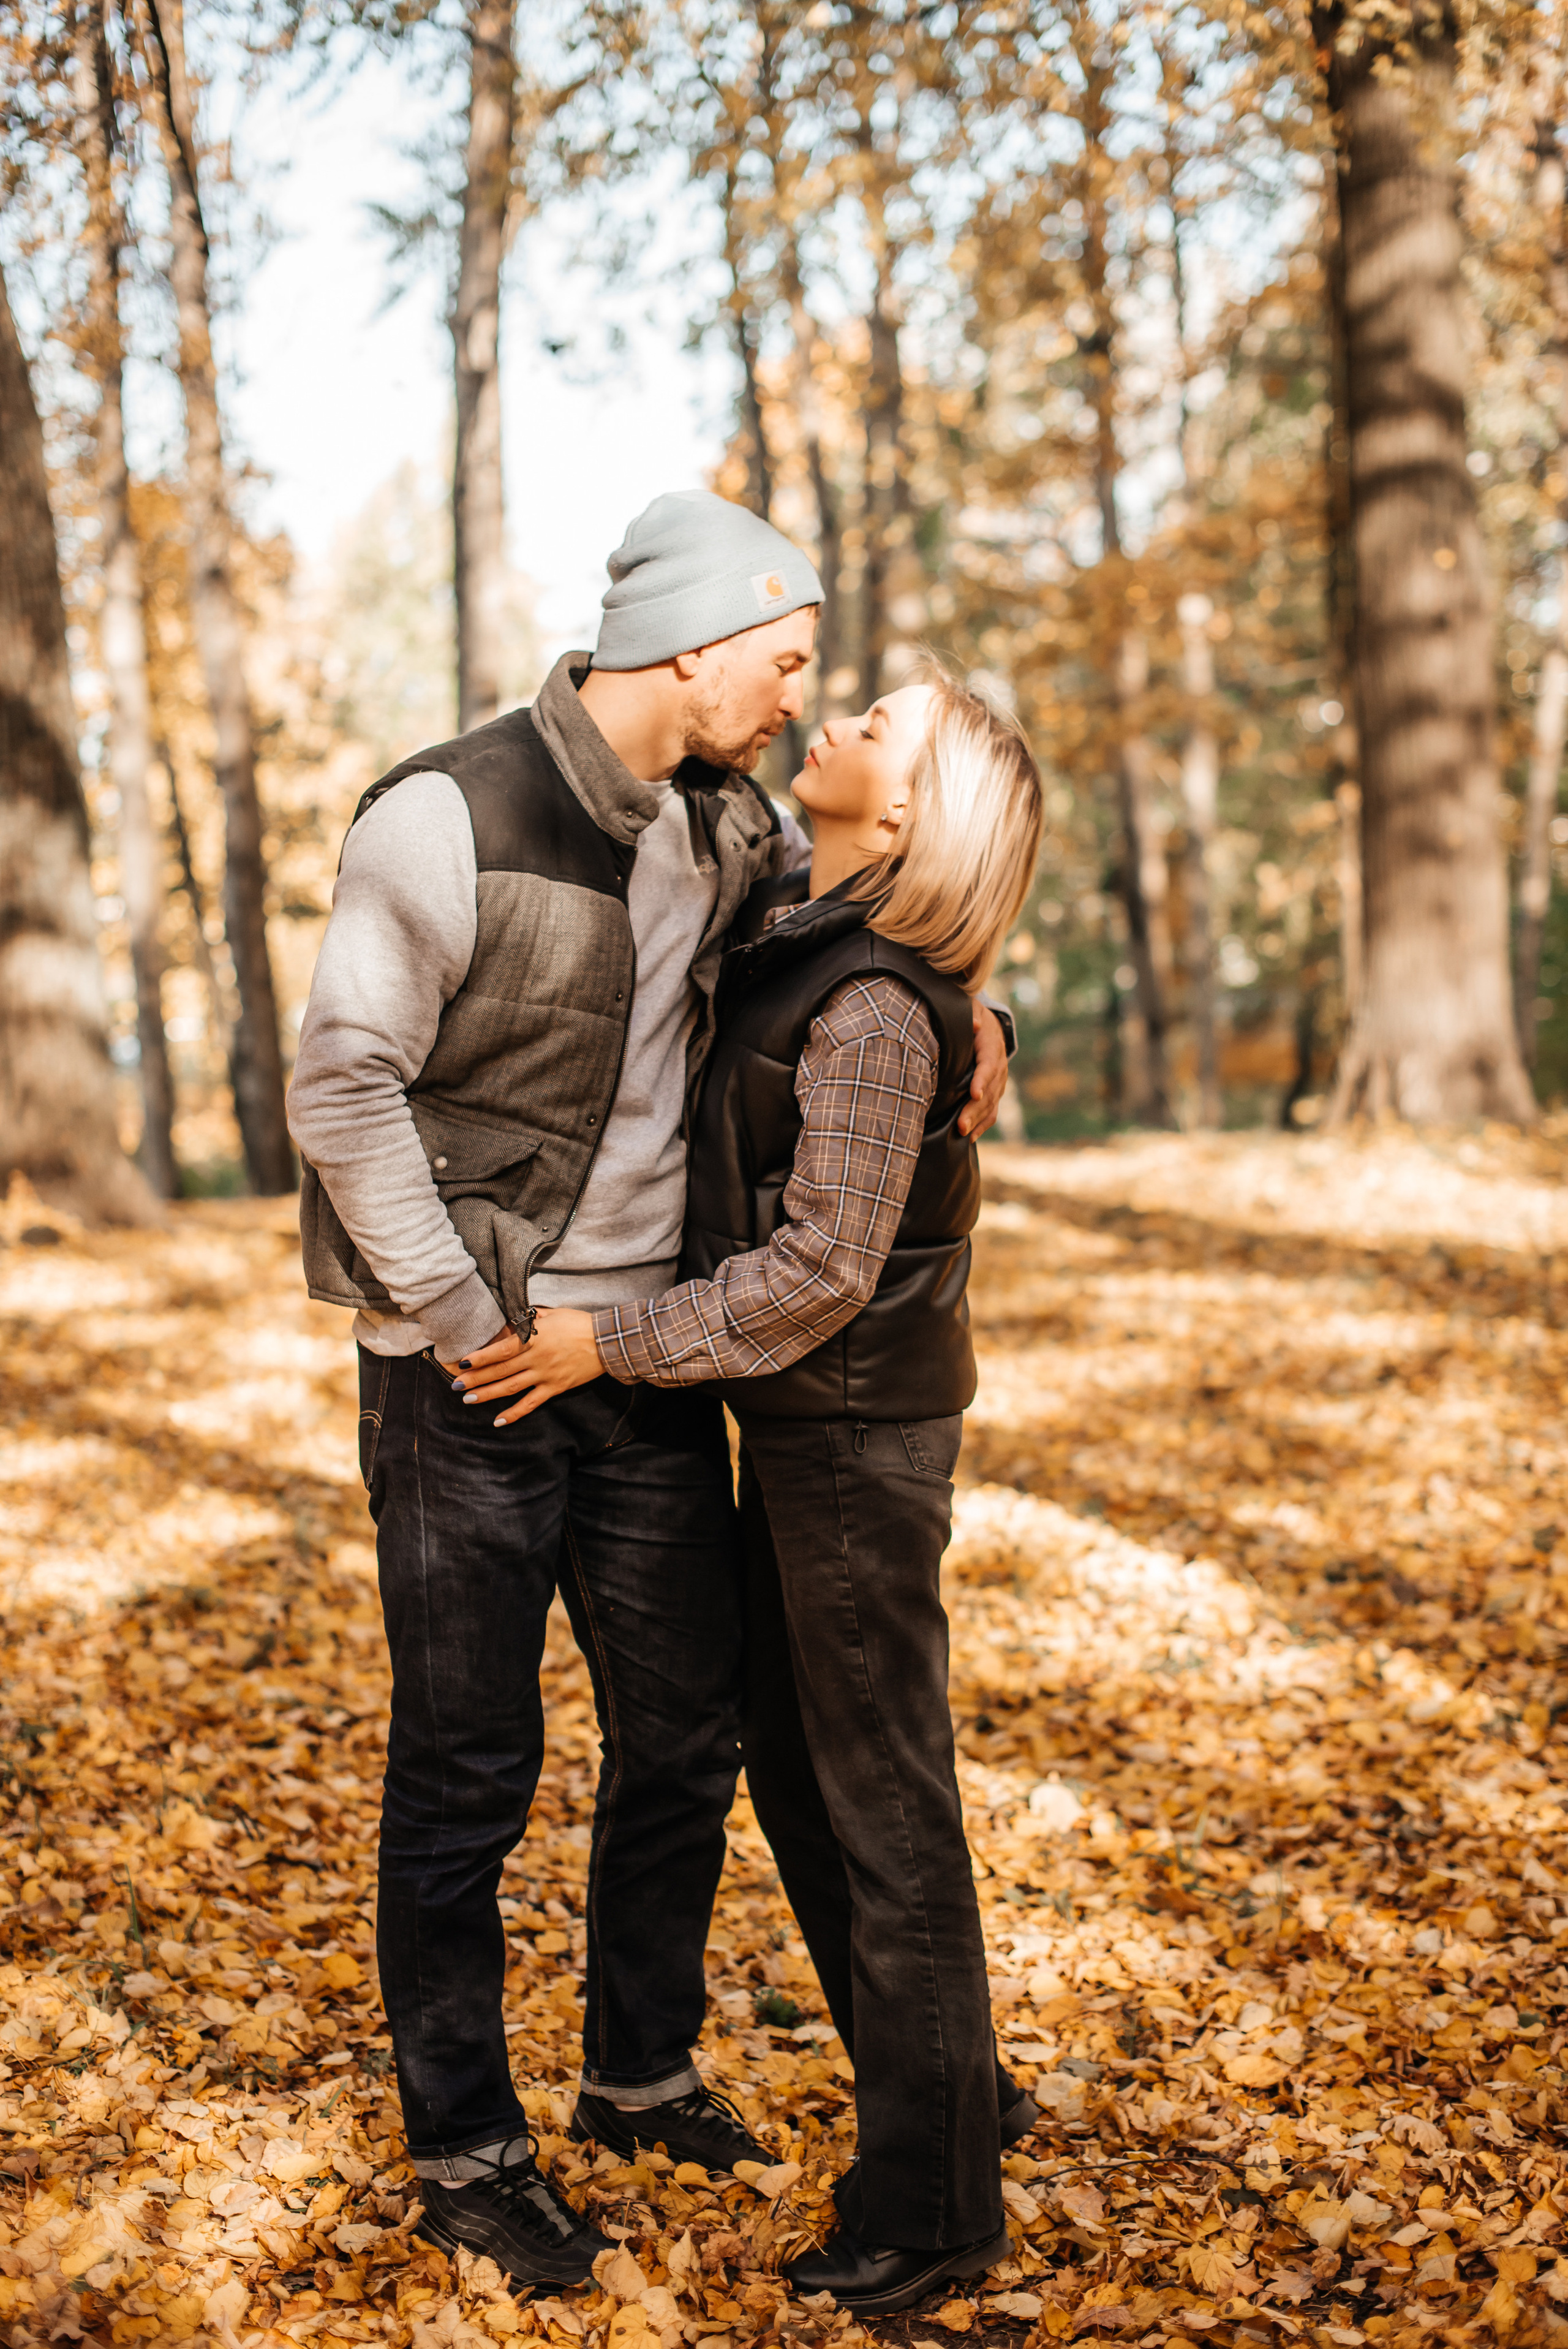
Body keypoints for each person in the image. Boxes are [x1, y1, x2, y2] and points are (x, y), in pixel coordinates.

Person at [286, 490, 1012, 2294]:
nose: (795, 694)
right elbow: (344, 1089)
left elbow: (879, 949)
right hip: (466, 1367)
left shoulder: (733, 828)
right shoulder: (441, 814)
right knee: (469, 1765)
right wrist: (461, 1316)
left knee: (684, 1735)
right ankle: (467, 2146)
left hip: (649, 1365)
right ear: (694, 643)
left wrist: (986, 1014)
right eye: (782, 659)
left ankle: (639, 2069)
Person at [456, 670, 1045, 2313]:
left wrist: (605, 1346)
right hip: (803, 1438)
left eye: (881, 720)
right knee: (806, 1779)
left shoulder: (867, 1004)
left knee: (885, 1813)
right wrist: (994, 1011)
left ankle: (932, 2215)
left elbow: (814, 1275)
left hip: (853, 1445)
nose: (839, 711)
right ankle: (957, 2093)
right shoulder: (811, 907)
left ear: (912, 807)